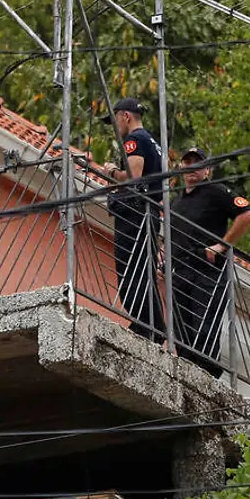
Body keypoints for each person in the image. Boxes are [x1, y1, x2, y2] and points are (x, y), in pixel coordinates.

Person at [170, 146, 250, 377]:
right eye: (187, 163)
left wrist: (221, 245)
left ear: (207, 170)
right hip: (180, 271)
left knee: (203, 325)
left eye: (197, 163)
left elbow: (247, 215)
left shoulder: (216, 191)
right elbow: (169, 235)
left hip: (207, 270)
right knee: (181, 328)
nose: (191, 168)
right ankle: (186, 373)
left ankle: (205, 374)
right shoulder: (175, 203)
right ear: (181, 167)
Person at [100, 97, 166, 341]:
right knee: (140, 271)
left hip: (136, 214)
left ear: (125, 116)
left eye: (115, 119)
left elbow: (133, 176)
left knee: (130, 272)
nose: (115, 126)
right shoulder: (151, 141)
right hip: (146, 213)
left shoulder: (135, 140)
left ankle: (149, 327)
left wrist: (110, 172)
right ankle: (151, 326)